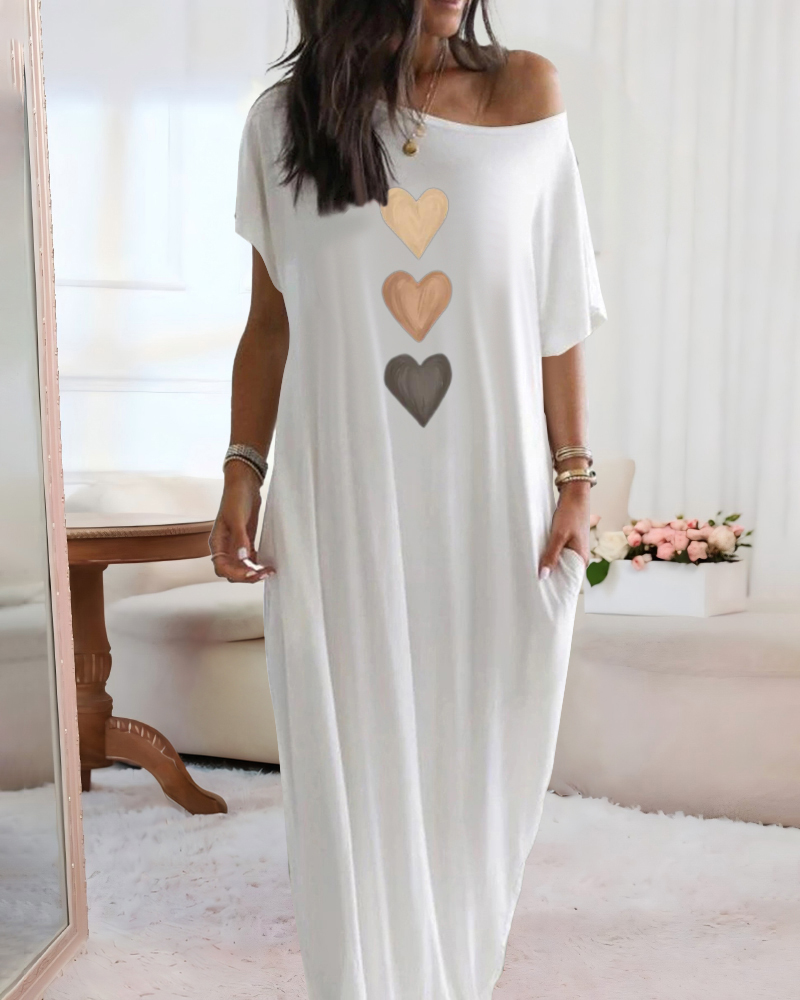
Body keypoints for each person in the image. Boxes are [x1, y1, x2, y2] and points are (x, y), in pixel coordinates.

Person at [209, 1, 606, 996]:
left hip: (489, 495)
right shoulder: (284, 122)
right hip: (342, 491)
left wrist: (575, 477)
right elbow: (270, 322)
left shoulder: (525, 94)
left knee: (484, 752)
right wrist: (241, 468)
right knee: (349, 761)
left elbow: (557, 311)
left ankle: (454, 976)